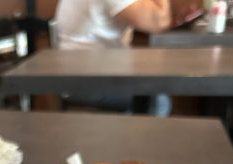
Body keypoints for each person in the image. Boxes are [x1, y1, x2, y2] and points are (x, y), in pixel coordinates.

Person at [54, 0, 203, 115]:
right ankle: (134, 149)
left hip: (83, 71)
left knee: (153, 90)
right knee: (158, 102)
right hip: (85, 79)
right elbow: (159, 22)